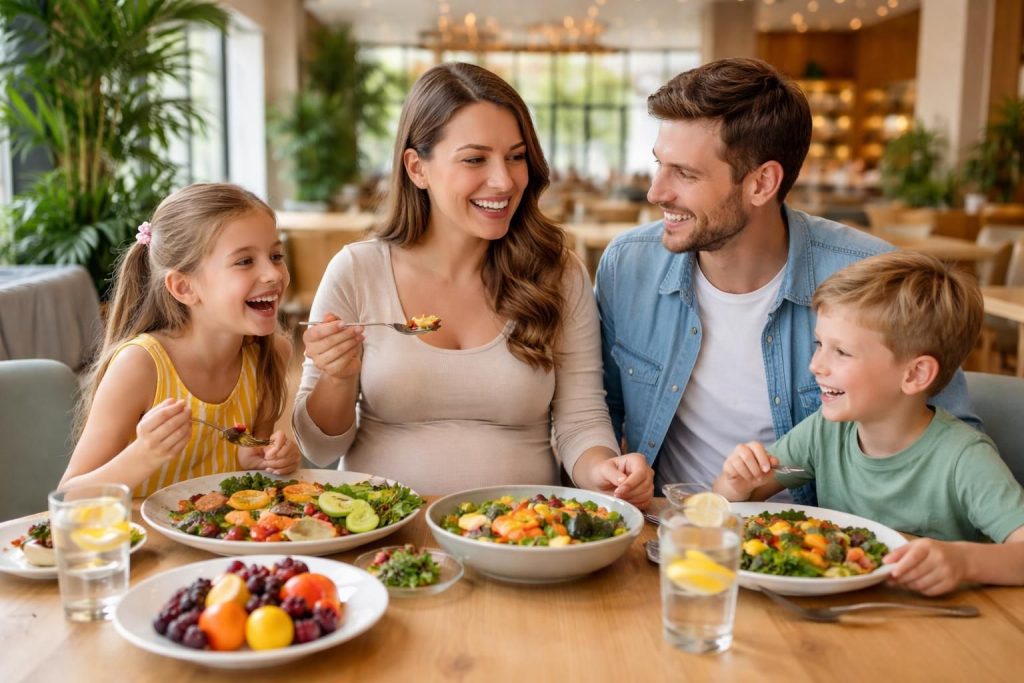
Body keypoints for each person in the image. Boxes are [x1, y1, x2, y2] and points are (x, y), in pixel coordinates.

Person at [594, 58, 976, 501]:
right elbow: (600, 410)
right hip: (672, 526)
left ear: (762, 183)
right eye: (659, 164)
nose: (655, 192)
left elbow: (954, 443)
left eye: (685, 173)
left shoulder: (875, 282)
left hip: (819, 535)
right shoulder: (629, 266)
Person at [292, 62, 653, 507]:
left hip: (523, 529)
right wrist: (338, 377)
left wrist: (604, 471)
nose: (504, 181)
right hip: (384, 527)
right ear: (417, 168)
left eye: (516, 156)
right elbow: (318, 448)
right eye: (475, 159)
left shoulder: (557, 273)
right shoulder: (356, 271)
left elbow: (582, 421)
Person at [713, 252, 1024, 595]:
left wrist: (963, 561)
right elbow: (739, 499)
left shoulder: (964, 458)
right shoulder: (824, 434)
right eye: (819, 344)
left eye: (841, 352)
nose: (816, 365)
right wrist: (735, 483)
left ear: (915, 374)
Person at [61, 183, 301, 496]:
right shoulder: (140, 365)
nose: (273, 274)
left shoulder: (271, 354)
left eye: (276, 255)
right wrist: (144, 455)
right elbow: (69, 496)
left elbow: (250, 473)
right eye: (245, 261)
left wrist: (263, 460)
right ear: (184, 288)